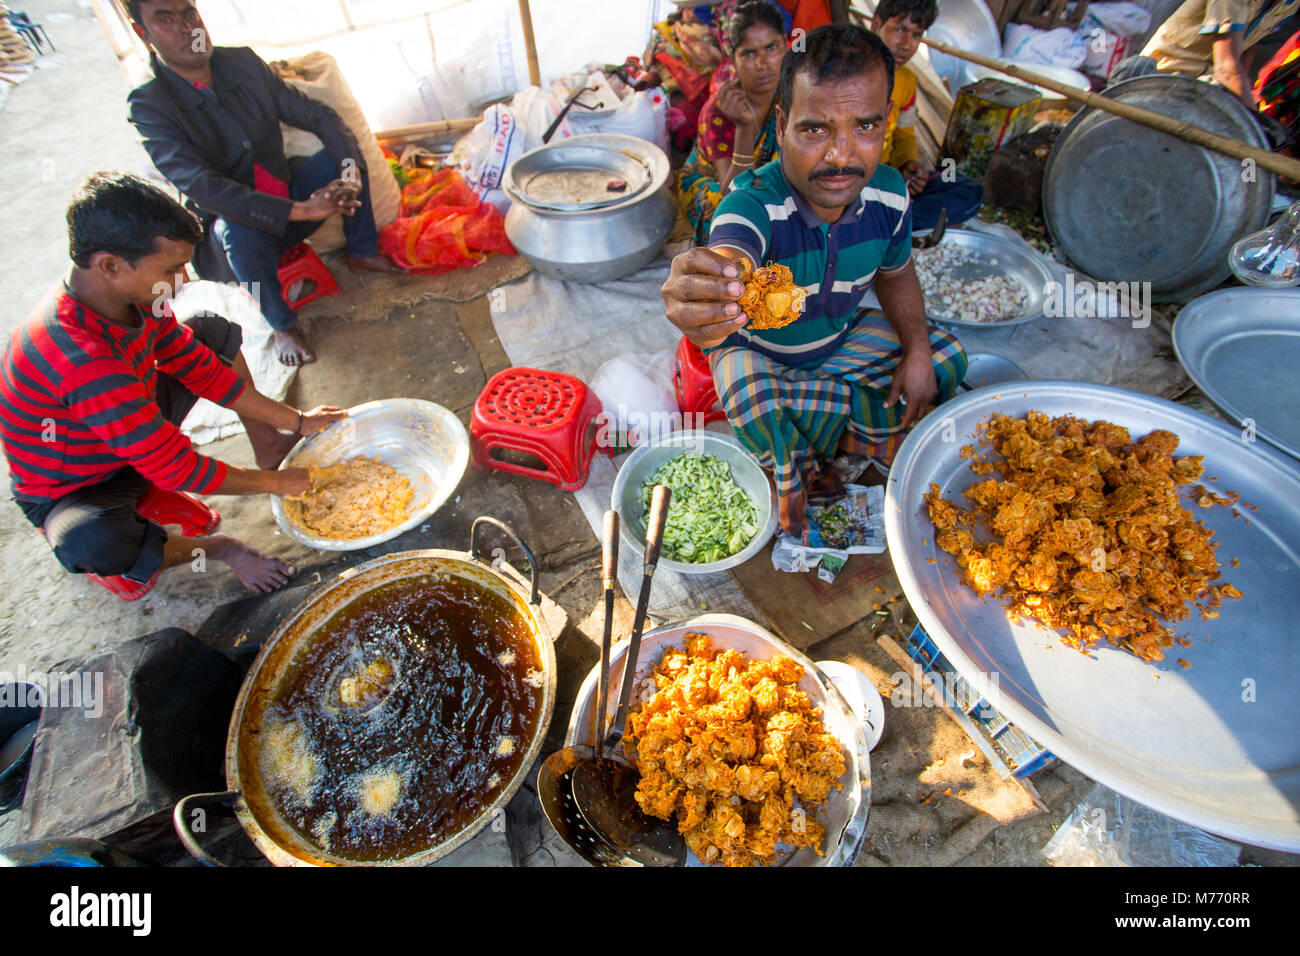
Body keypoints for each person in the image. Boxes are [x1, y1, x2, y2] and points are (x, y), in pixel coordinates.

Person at [661, 24, 968, 536]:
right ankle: (826, 438)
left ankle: (820, 423)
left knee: (946, 357)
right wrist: (710, 283)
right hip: (762, 356)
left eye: (864, 127)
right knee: (744, 387)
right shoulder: (753, 202)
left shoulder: (890, 195)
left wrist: (915, 350)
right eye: (816, 129)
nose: (841, 156)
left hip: (840, 343)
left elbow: (896, 276)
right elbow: (732, 247)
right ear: (781, 125)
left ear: (885, 123)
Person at [0, 172, 346, 595]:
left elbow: (195, 364)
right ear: (110, 265)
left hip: (126, 421)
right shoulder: (82, 360)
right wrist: (280, 484)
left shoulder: (129, 298)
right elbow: (177, 466)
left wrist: (296, 421)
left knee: (210, 333)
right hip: (78, 483)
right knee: (92, 542)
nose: (183, 279)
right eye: (171, 267)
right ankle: (222, 548)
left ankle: (269, 444)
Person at [125, 0, 402, 368]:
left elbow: (321, 116)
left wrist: (348, 176)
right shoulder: (149, 105)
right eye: (166, 19)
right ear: (142, 33)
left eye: (190, 13)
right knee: (236, 227)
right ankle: (282, 323)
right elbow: (203, 188)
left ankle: (361, 250)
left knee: (342, 156)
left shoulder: (241, 63)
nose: (186, 27)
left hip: (288, 195)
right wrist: (302, 209)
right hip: (236, 241)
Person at [678, 2, 788, 242]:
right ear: (734, 60)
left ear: (786, 46)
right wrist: (745, 128)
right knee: (722, 212)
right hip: (714, 185)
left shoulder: (792, 97)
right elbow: (732, 192)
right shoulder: (719, 110)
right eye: (749, 54)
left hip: (760, 185)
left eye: (772, 48)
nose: (763, 63)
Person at [870, 0, 983, 231]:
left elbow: (904, 135)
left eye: (916, 35)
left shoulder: (906, 82)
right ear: (876, 24)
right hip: (854, 187)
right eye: (899, 29)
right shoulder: (848, 74)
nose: (905, 44)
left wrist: (909, 165)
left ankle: (887, 222)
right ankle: (884, 222)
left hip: (890, 179)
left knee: (967, 188)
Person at [1113, 0, 1299, 108]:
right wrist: (1253, 120)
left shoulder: (1290, 4)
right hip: (1161, 80)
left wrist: (1242, 99)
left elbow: (1250, 44)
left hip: (1206, 91)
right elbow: (1226, 67)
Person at [646, 3, 727, 153]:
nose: (691, 14)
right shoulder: (673, 31)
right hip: (680, 93)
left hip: (709, 99)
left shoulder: (728, 28)